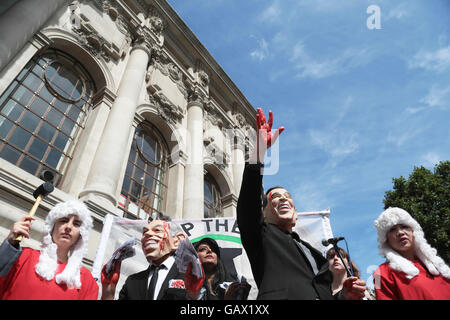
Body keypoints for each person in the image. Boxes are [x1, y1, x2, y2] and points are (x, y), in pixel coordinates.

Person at [237, 107, 366, 300]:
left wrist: (344, 296)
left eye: (287, 196)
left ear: (295, 214)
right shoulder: (262, 237)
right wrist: (260, 152)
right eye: (273, 198)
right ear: (263, 213)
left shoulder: (316, 256)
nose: (282, 199)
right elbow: (248, 204)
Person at [0, 199, 98, 300]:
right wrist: (9, 244)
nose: (69, 227)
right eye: (63, 221)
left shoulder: (87, 280)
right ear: (52, 227)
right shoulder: (22, 256)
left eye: (76, 224)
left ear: (81, 235)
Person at [101, 213, 204, 300]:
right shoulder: (132, 282)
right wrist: (108, 291)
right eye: (145, 232)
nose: (147, 234)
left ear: (177, 241)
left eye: (157, 230)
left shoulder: (192, 277)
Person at [373, 207, 450, 300]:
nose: (400, 232)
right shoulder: (379, 273)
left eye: (404, 226)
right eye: (392, 229)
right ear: (386, 240)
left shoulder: (440, 266)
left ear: (413, 232)